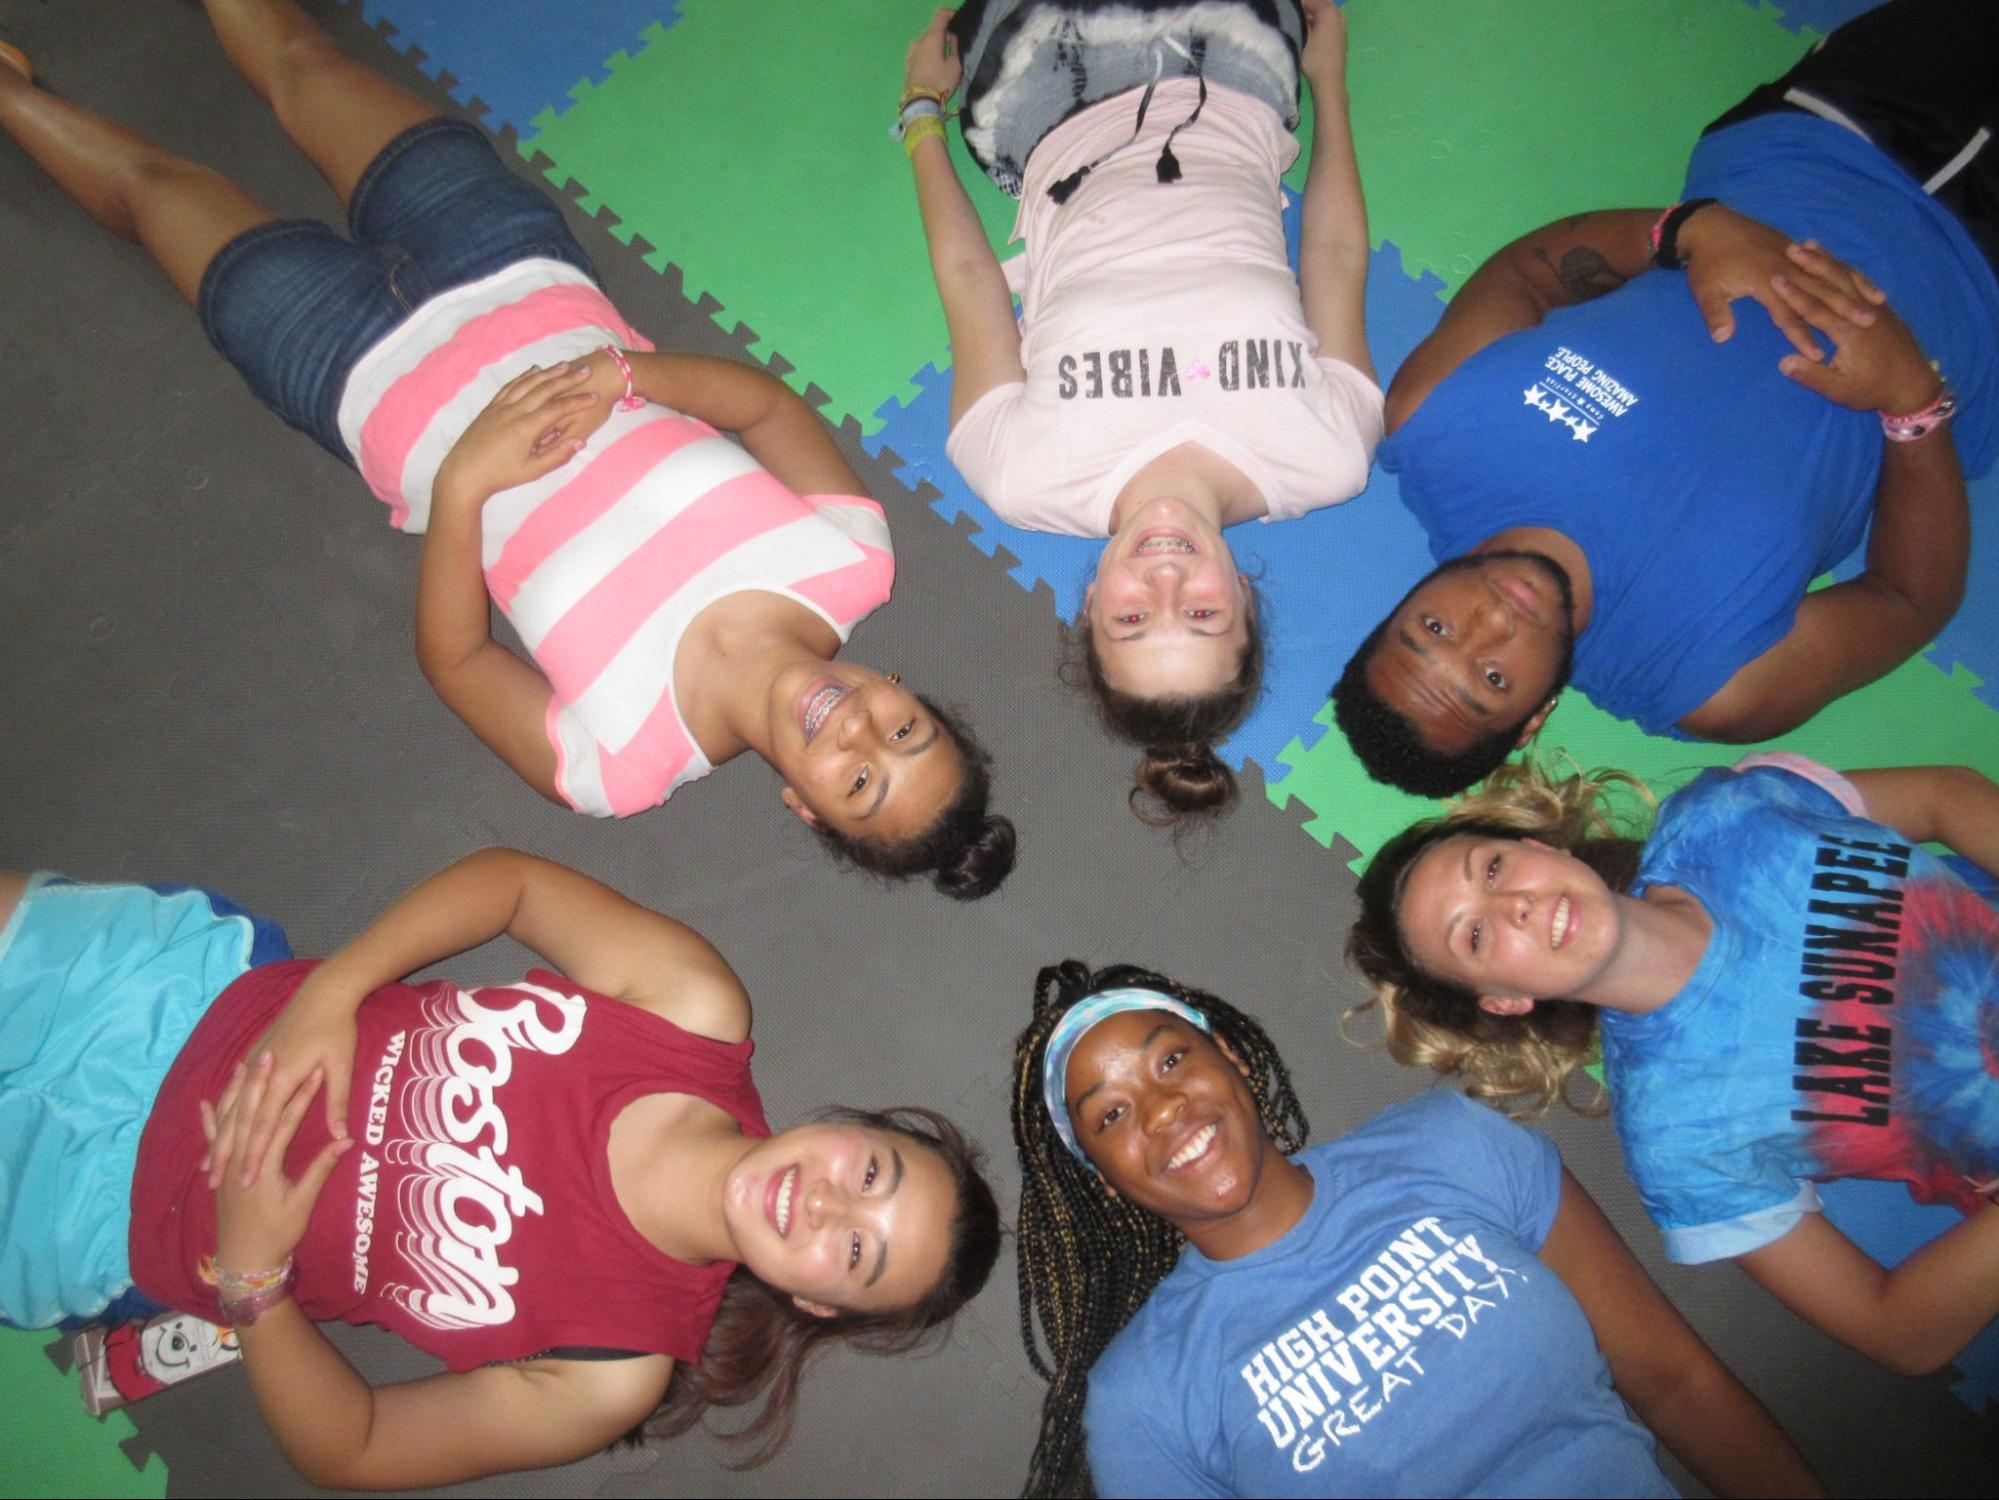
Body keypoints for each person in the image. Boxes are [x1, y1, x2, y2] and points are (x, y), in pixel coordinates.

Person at [0, 0, 1015, 899]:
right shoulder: (851, 564)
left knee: (148, 190)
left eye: (859, 781)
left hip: (348, 373)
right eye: (904, 729)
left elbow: (457, 659)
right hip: (510, 261)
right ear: (906, 692)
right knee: (302, 61)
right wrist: (628, 378)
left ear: (805, 810)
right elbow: (772, 415)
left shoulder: (619, 767)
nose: (857, 731)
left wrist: (464, 486)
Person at [0, 848, 1001, 1486]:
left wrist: (253, 1279)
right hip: (183, 998)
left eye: (857, 1253)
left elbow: (352, 1450)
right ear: (848, 1123)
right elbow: (512, 884)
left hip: (104, 1220)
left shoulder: (613, 1373)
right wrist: (332, 995)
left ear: (816, 1304)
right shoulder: (693, 1011)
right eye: (870, 1173)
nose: (825, 1203)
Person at [1331, 0, 1998, 798]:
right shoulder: (1710, 682)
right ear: (1534, 717)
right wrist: (1910, 404)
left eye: (1431, 630)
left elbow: (1528, 272)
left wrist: (1684, 232)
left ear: (1402, 602)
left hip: (1827, 132)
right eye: (1491, 679)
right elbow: (1910, 599)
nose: (1487, 625)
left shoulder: (1431, 420)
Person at [1008, 963, 1821, 1497]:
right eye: (1112, 1115)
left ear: (1231, 1058)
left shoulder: (1452, 1144)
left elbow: (1677, 1380)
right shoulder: (1142, 1399)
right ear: (1101, 1174)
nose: (1161, 1110)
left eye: (1171, 1062)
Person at [1348, 751, 1999, 1378]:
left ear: (1539, 850)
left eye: (1490, 869)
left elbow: (1945, 796)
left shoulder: (1724, 813)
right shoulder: (1678, 1141)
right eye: (1475, 935)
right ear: (1507, 1000)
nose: (1510, 904)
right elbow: (1897, 1330)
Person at [905, 0, 1381, 824]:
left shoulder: (1021, 477)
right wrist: (1328, 85)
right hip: (1236, 74)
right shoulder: (1327, 456)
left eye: (1131, 618)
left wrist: (919, 117)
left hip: (1045, 96)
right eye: (1199, 614)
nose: (1164, 575)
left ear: (1090, 605)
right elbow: (1335, 258)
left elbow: (970, 283)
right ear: (1241, 596)